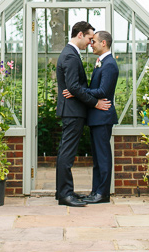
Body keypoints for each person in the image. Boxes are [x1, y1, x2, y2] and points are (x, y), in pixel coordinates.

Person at [55, 21, 111, 207]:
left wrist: (78, 90)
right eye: (89, 38)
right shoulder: (70, 56)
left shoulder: (70, 53)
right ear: (80, 35)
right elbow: (73, 86)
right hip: (72, 111)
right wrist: (95, 102)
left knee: (66, 151)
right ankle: (65, 194)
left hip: (73, 110)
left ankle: (64, 191)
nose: (90, 42)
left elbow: (75, 87)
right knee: (67, 153)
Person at [65, 30, 118, 204]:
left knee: (102, 157)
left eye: (94, 41)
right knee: (97, 157)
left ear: (104, 43)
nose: (91, 44)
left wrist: (77, 91)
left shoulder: (109, 64)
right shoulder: (102, 62)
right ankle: (96, 191)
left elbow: (103, 91)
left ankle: (102, 193)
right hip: (97, 117)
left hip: (103, 116)